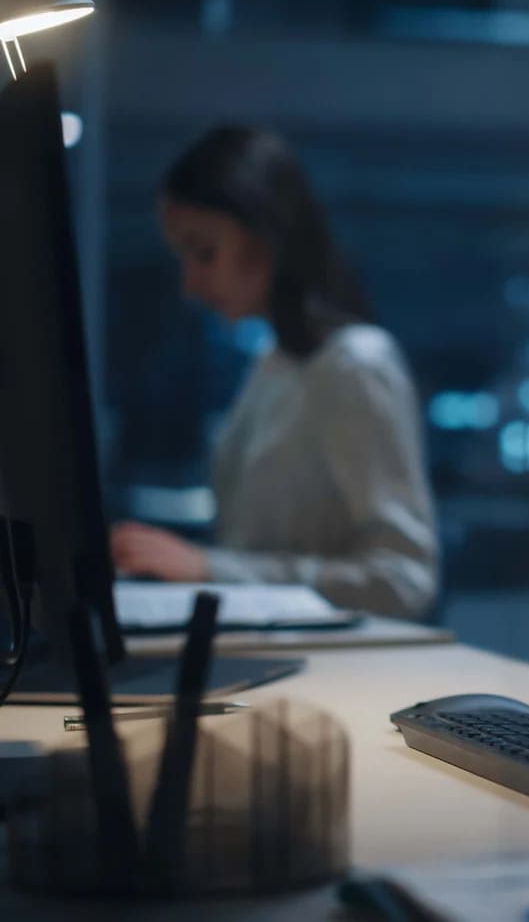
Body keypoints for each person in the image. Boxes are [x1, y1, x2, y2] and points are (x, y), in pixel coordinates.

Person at [110, 126, 440, 620]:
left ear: (264, 240)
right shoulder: (274, 365)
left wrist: (210, 569)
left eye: (204, 252)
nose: (191, 283)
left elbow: (405, 579)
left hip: (339, 676)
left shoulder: (355, 364)